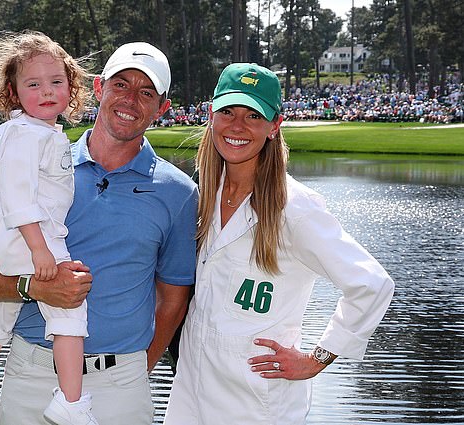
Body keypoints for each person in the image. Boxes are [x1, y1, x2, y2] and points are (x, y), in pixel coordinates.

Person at [0, 41, 198, 425]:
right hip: (31, 372)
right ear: (100, 88)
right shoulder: (44, 163)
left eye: (146, 92)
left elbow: (172, 301)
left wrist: (137, 369)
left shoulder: (178, 193)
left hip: (122, 382)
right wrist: (34, 288)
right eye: (121, 85)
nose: (131, 100)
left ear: (163, 107)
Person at [163, 63, 395, 425]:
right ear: (211, 116)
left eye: (253, 115)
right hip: (192, 387)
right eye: (228, 111)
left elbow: (371, 284)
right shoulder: (203, 195)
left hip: (257, 400)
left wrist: (318, 358)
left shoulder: (295, 208)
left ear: (274, 126)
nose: (237, 126)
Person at [0, 31, 97, 425]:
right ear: (13, 93)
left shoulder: (34, 130)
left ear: (71, 86)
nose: (46, 91)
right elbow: (18, 197)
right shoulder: (27, 134)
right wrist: (40, 249)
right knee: (69, 307)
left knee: (3, 305)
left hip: (4, 234)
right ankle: (70, 402)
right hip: (27, 235)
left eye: (56, 82)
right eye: (33, 84)